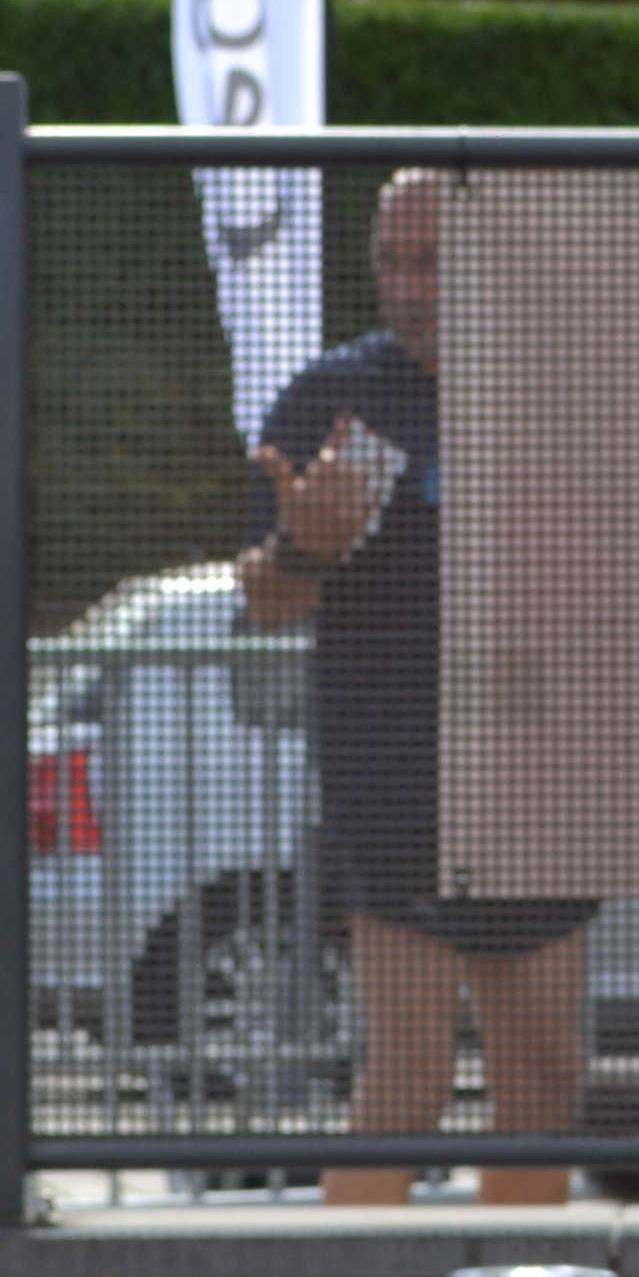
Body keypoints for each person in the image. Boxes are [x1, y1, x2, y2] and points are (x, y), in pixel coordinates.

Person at [237, 166, 593, 1205]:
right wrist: (305, 547)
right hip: (393, 777)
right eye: (391, 262)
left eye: (430, 261)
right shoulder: (330, 397)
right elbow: (263, 600)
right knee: (410, 1073)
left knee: (544, 1075)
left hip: (541, 780)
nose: (408, 286)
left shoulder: (558, 387)